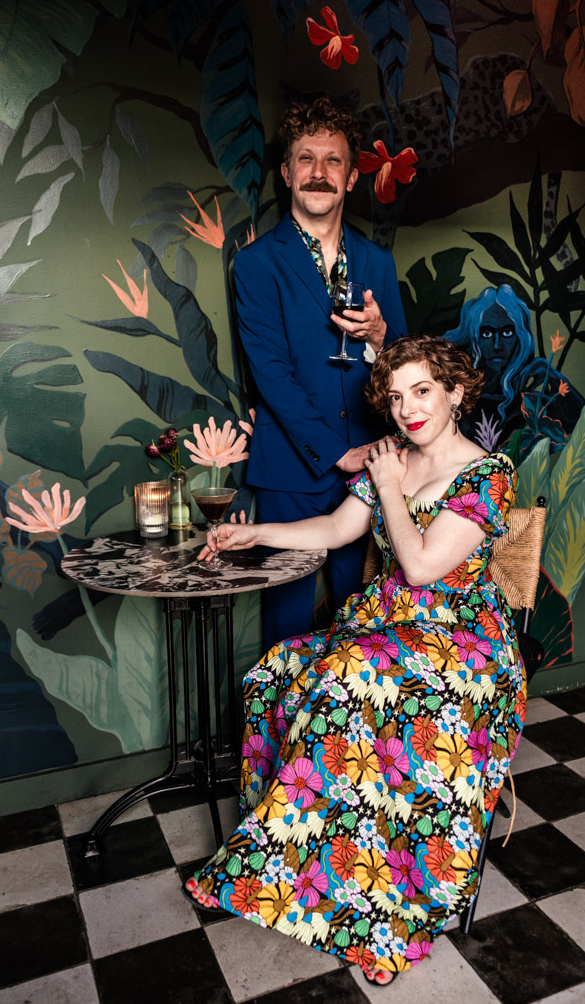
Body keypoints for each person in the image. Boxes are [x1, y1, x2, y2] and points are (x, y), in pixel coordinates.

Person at [184, 335, 526, 987]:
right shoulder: (392, 460)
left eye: (422, 391)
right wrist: (254, 531)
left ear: (455, 392)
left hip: (461, 647)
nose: (406, 409)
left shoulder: (488, 473)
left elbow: (424, 568)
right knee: (277, 671)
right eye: (395, 397)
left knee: (348, 681)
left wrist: (391, 487)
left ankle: (378, 908)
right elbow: (338, 530)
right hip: (386, 629)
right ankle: (293, 864)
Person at [233, 95, 407, 646]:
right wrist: (337, 452)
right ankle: (274, 735)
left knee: (359, 626)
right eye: (306, 159)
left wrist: (381, 339)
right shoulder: (257, 263)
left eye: (333, 161)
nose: (319, 173)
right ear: (286, 173)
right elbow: (272, 376)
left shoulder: (378, 262)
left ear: (352, 177)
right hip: (290, 470)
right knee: (286, 630)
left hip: (371, 470)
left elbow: (406, 367)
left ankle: (344, 736)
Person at [445, 284, 584, 450]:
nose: (497, 345)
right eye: (487, 334)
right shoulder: (459, 398)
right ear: (474, 337)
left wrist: (549, 372)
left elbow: (580, 419)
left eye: (507, 333)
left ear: (520, 337)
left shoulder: (528, 403)